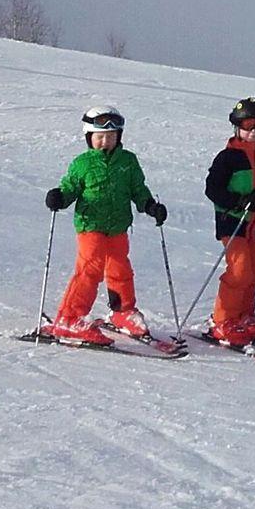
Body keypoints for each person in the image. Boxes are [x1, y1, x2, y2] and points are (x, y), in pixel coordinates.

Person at [43, 107, 168, 342]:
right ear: (89, 138)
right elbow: (70, 187)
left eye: (111, 137)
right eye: (99, 137)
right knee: (90, 269)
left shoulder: (128, 161)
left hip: (118, 226)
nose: (105, 142)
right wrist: (60, 197)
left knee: (120, 268)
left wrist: (151, 206)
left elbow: (138, 189)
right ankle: (70, 318)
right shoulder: (82, 163)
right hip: (90, 225)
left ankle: (123, 311)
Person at [201, 98, 255, 347]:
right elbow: (212, 189)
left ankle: (245, 315)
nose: (254, 131)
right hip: (233, 222)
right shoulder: (228, 157)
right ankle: (223, 320)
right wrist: (238, 201)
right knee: (239, 271)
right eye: (248, 126)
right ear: (237, 127)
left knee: (254, 272)